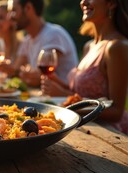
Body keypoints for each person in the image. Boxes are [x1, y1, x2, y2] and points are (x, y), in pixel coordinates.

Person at [41, 0, 128, 135]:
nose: (83, 2)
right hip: (84, 126)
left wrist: (65, 97)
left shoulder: (116, 47)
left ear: (111, 3)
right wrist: (58, 83)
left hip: (110, 133)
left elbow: (117, 112)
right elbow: (81, 94)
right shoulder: (89, 46)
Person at [0, 0, 78, 87]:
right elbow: (16, 69)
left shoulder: (53, 34)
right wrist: (9, 69)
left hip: (62, 98)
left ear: (28, 8)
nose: (9, 17)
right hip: (43, 97)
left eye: (13, 10)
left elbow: (40, 77)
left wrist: (16, 71)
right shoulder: (27, 41)